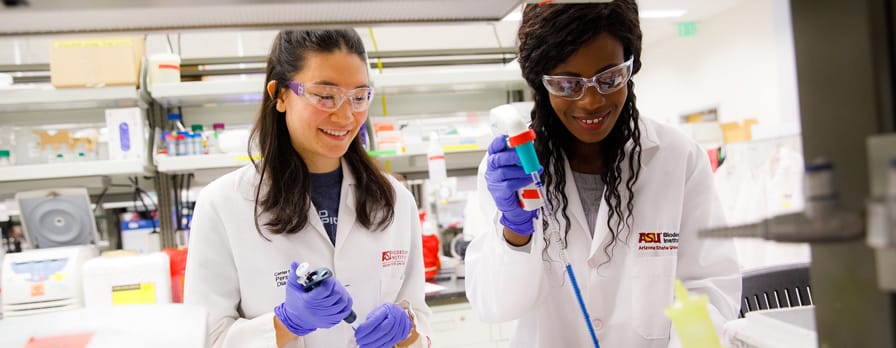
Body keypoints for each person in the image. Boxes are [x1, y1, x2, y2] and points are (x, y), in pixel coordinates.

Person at [464, 2, 741, 347]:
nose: (591, 101)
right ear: (542, 83)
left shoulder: (678, 158)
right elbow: (495, 306)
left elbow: (710, 288)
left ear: (630, 67)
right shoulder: (514, 172)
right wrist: (514, 232)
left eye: (609, 78)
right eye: (568, 84)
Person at [184, 29, 431, 348]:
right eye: (325, 96)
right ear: (281, 95)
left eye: (358, 97)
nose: (345, 115)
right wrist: (286, 323)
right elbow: (205, 340)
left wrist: (407, 333)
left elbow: (420, 323)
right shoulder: (223, 204)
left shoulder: (395, 200)